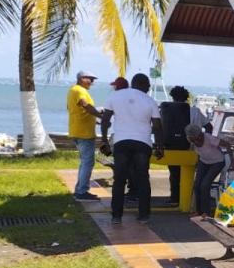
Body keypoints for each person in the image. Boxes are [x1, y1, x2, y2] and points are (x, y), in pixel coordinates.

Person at [101, 73, 164, 225]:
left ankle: (116, 216)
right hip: (143, 143)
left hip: (121, 142)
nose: (149, 88)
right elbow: (157, 126)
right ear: (142, 84)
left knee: (119, 180)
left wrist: (104, 140)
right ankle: (143, 215)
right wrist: (160, 146)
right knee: (142, 179)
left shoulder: (115, 97)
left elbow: (105, 120)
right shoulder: (150, 101)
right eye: (148, 85)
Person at [160, 86, 207, 205]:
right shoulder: (195, 111)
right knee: (190, 174)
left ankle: (175, 198)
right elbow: (209, 127)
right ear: (187, 98)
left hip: (171, 146)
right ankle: (189, 199)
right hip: (192, 148)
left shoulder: (166, 110)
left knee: (174, 173)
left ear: (172, 97)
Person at [66, 71, 103, 199]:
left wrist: (95, 120)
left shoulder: (73, 90)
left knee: (85, 162)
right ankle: (82, 191)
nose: (92, 83)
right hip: (84, 133)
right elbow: (86, 106)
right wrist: (101, 116)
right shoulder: (79, 91)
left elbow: (75, 110)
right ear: (82, 79)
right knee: (88, 162)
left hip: (78, 130)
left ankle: (79, 189)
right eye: (90, 79)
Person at [185, 123, 232, 216]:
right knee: (197, 185)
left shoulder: (209, 138)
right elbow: (197, 152)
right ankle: (198, 211)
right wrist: (196, 164)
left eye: (197, 137)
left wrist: (232, 161)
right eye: (192, 138)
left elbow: (227, 144)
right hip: (204, 162)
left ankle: (206, 212)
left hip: (217, 162)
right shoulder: (191, 140)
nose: (196, 140)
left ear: (199, 134)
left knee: (205, 185)